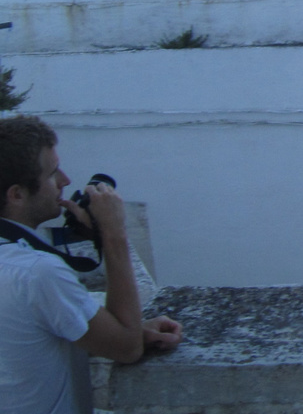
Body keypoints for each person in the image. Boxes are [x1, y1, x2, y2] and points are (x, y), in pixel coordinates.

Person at [0, 116, 183, 414]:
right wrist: (113, 233)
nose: (65, 181)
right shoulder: (37, 273)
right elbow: (126, 348)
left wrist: (126, 328)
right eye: (52, 173)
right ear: (17, 194)